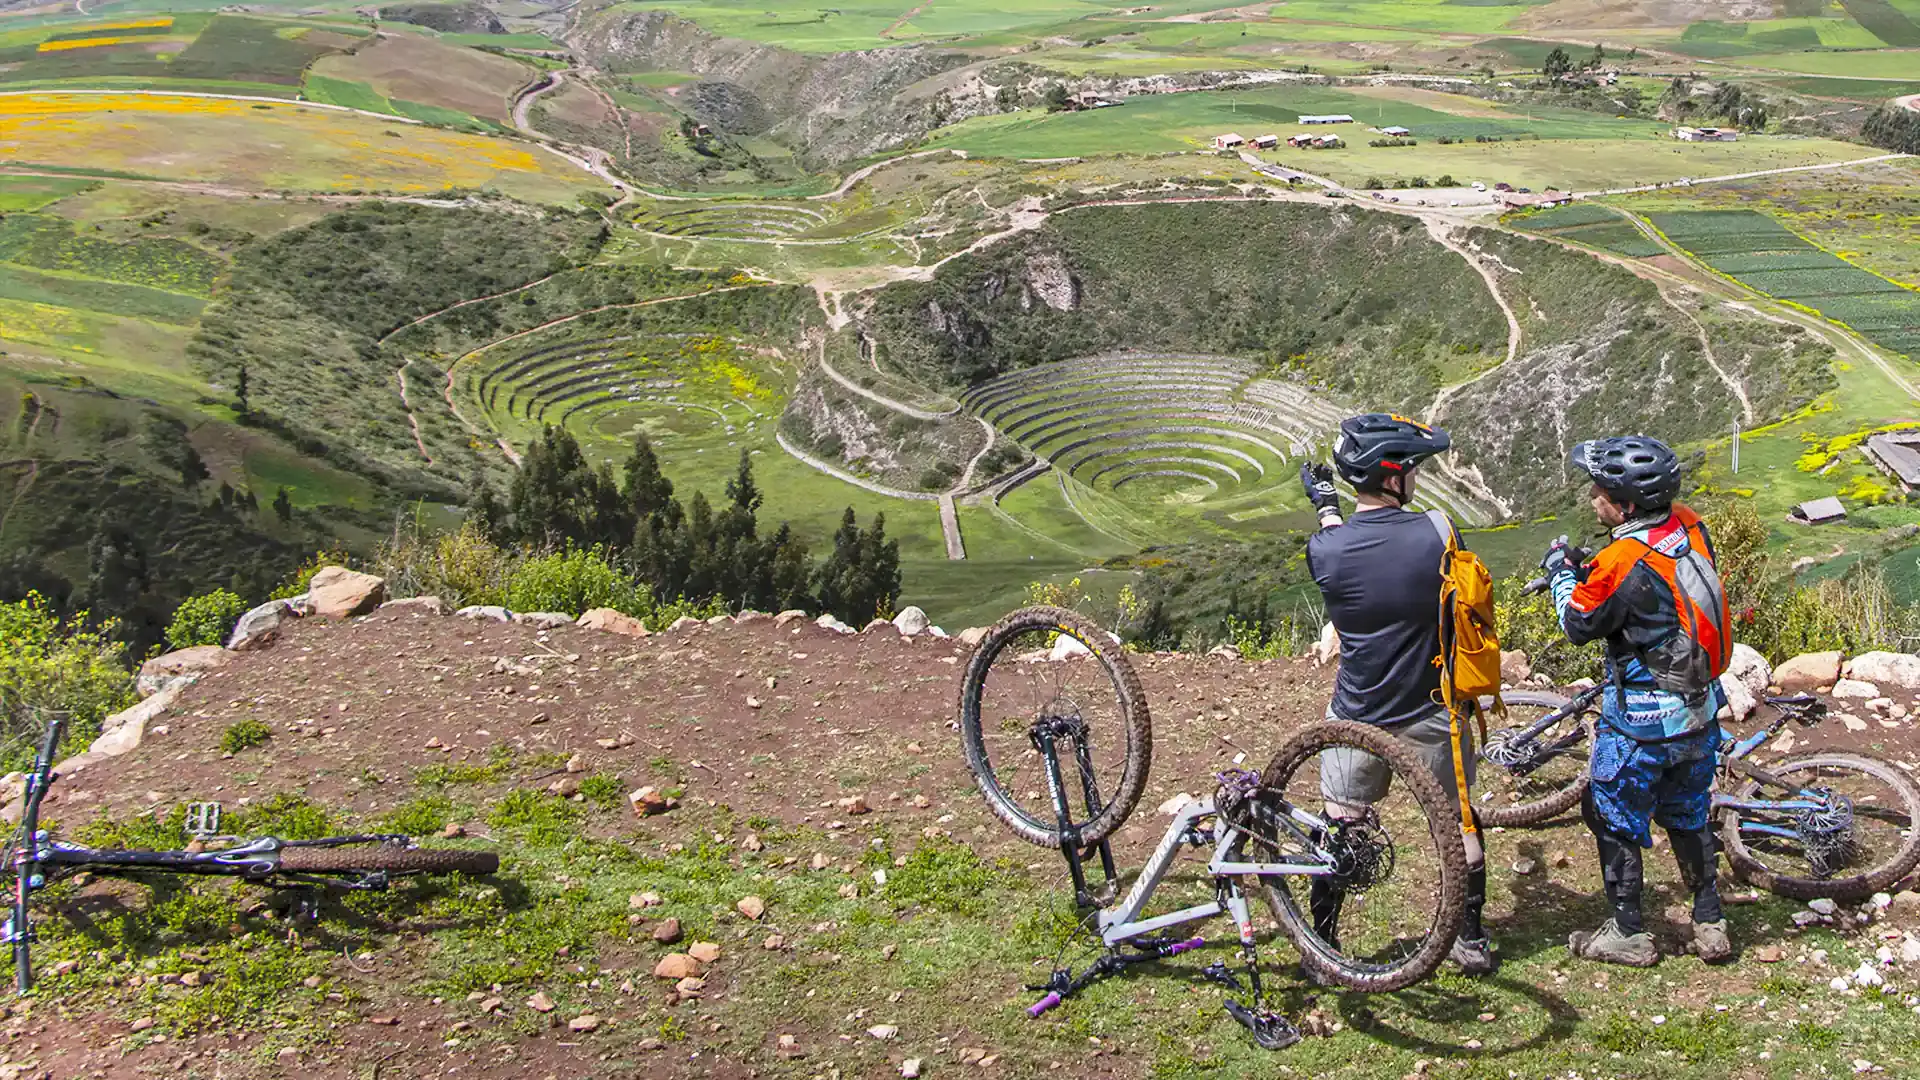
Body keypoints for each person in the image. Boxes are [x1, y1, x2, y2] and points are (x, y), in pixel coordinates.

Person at [1299, 413, 1495, 975]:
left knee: (1342, 824)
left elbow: (1339, 536)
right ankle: (1471, 939)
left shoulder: (1325, 552)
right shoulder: (1438, 530)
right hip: (1433, 706)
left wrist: (1324, 502)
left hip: (1358, 714)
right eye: (1410, 468)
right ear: (1393, 478)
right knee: (1457, 822)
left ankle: (1326, 941)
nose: (1415, 476)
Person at [1543, 435, 1734, 967]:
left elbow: (1579, 623)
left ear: (1624, 503)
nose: (1592, 499)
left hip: (1642, 722)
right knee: (1689, 813)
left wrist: (1562, 571)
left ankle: (1628, 929)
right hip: (1699, 711)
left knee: (1610, 812)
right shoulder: (1691, 525)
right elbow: (1660, 597)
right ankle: (1709, 920)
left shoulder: (1620, 559)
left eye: (1599, 490)